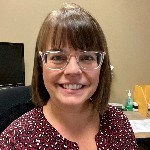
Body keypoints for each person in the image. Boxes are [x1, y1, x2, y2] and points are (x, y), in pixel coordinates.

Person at [0, 3, 138, 149]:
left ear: (101, 66)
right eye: (58, 57)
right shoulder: (16, 140)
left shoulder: (118, 123)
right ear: (41, 64)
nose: (73, 70)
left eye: (87, 57)